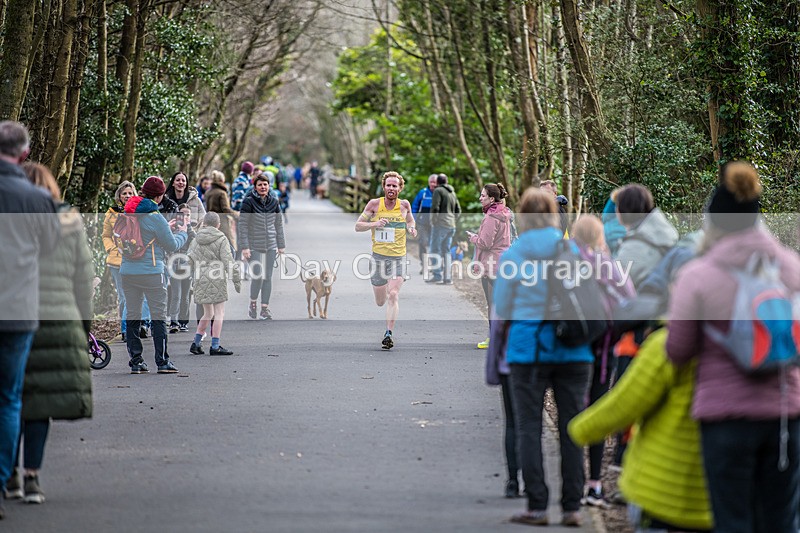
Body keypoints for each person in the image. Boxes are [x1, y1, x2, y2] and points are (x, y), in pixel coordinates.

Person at [667, 162, 800, 533]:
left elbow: (678, 350)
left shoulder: (698, 275)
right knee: (782, 522)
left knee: (732, 521)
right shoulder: (791, 267)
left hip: (725, 421)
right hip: (786, 418)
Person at [493, 188, 593, 527]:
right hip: (574, 350)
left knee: (528, 427)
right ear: (553, 213)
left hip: (527, 350)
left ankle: (537, 506)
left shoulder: (513, 255)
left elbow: (502, 309)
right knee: (571, 428)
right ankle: (572, 507)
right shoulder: (573, 250)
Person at [5, 163, 94, 506]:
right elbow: (83, 278)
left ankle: (9, 473)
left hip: (13, 316)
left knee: (11, 398)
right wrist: (83, 327)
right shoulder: (69, 220)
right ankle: (32, 478)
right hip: (58, 320)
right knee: (39, 406)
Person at [0, 121, 59, 520]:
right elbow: (50, 250)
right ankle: (6, 479)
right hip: (18, 311)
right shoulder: (38, 198)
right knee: (9, 398)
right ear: (23, 154)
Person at [570, 215, 635, 508]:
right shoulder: (610, 265)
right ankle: (594, 484)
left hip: (572, 348)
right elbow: (630, 302)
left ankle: (571, 480)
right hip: (605, 348)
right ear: (599, 238)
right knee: (596, 412)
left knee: (572, 412)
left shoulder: (564, 265)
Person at [121, 176, 188, 374]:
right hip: (151, 272)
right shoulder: (155, 216)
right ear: (159, 197)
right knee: (158, 317)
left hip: (127, 271)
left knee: (133, 316)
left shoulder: (127, 212)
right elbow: (172, 245)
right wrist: (183, 232)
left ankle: (136, 361)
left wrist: (168, 226)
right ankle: (162, 361)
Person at [355, 171, 417, 350]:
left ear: (400, 188)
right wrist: (374, 224)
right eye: (388, 185)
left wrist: (412, 229)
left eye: (395, 185)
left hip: (398, 257)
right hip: (378, 258)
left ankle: (388, 333)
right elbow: (358, 226)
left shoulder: (404, 205)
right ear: (384, 187)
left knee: (394, 294)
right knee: (380, 301)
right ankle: (386, 320)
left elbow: (411, 222)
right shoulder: (374, 204)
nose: (391, 188)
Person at [188, 212, 241, 356]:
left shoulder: (196, 238)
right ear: (218, 224)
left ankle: (196, 342)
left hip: (200, 277)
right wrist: (236, 280)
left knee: (207, 313)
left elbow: (189, 259)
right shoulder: (221, 238)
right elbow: (228, 260)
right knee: (219, 313)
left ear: (204, 223)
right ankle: (215, 345)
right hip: (217, 276)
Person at [103, 180, 150, 342]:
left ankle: (138, 325)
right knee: (124, 297)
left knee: (140, 294)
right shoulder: (112, 213)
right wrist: (112, 249)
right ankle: (125, 329)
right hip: (117, 261)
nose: (127, 196)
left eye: (130, 193)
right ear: (119, 196)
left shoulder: (140, 212)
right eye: (124, 193)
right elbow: (106, 235)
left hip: (136, 258)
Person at [467, 183, 512, 349]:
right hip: (503, 262)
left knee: (492, 303)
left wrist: (473, 237)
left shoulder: (491, 218)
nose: (480, 198)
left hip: (491, 264)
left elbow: (485, 243)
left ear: (492, 198)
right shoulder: (505, 214)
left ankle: (494, 338)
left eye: (483, 196)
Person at [239, 173, 285, 320]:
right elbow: (243, 225)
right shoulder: (248, 202)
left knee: (268, 277)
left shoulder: (274, 201)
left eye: (265, 184)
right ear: (255, 187)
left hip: (271, 244)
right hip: (254, 245)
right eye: (260, 185)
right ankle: (253, 303)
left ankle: (265, 308)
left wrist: (281, 245)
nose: (263, 187)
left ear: (269, 185)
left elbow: (278, 224)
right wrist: (245, 247)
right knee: (258, 276)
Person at [428, 174, 460, 284]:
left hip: (440, 225)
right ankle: (447, 278)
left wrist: (433, 221)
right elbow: (458, 210)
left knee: (434, 250)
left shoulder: (438, 191)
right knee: (446, 251)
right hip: (451, 226)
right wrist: (452, 219)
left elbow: (435, 207)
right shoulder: (452, 192)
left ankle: (437, 276)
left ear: (437, 182)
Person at [167, 206, 195, 333]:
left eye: (188, 214)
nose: (185, 217)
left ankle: (184, 321)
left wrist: (188, 227)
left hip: (186, 266)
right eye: (182, 214)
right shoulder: (173, 229)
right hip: (173, 265)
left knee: (185, 295)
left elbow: (195, 241)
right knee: (175, 294)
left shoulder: (190, 230)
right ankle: (174, 321)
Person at [411, 174, 438, 274]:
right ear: (428, 182)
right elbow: (414, 207)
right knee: (423, 242)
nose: (433, 184)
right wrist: (413, 219)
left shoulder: (440, 194)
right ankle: (424, 265)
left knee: (435, 244)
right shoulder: (422, 193)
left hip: (436, 224)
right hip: (422, 223)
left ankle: (435, 266)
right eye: (431, 182)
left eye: (435, 182)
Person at [205, 170, 237, 251]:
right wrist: (237, 215)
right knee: (229, 245)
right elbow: (226, 209)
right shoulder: (222, 193)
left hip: (210, 221)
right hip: (222, 222)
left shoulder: (208, 192)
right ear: (222, 180)